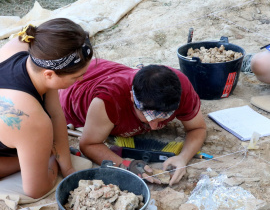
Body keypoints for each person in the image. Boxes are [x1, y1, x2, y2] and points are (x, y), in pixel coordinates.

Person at [59, 59, 206, 186]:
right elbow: (88, 144)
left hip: (108, 70)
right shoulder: (107, 101)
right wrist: (126, 166)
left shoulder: (180, 87)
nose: (154, 127)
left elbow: (197, 128)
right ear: (131, 98)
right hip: (71, 92)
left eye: (162, 118)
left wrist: (183, 158)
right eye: (148, 118)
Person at [0, 18, 93, 198]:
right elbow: (36, 189)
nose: (81, 80)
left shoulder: (29, 47)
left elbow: (55, 114)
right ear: (49, 74)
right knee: (43, 151)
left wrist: (67, 166)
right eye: (76, 77)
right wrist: (51, 157)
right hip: (19, 126)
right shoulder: (32, 119)